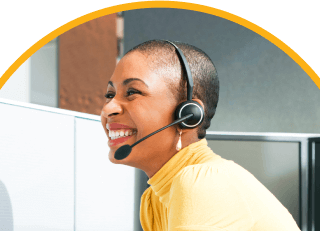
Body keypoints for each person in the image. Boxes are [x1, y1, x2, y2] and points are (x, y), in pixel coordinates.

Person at [100, 40, 300, 231]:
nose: (109, 108)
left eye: (132, 92)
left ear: (187, 115)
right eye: (110, 95)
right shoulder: (153, 201)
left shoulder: (202, 183)